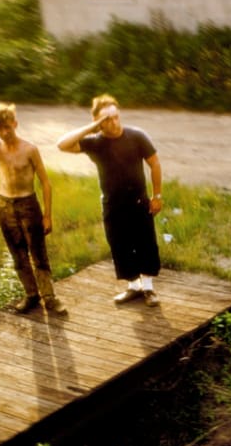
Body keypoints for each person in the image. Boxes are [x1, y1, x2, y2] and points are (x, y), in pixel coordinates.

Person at [0, 102, 68, 316]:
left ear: (15, 124)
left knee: (38, 255)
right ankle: (31, 295)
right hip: (5, 205)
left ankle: (50, 298)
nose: (4, 132)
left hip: (28, 204)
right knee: (18, 255)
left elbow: (46, 182)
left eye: (7, 127)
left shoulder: (30, 149)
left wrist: (47, 215)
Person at [57, 94, 164, 306]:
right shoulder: (95, 143)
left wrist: (157, 195)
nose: (113, 122)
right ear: (98, 121)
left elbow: (155, 164)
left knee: (145, 243)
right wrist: (92, 127)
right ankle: (133, 287)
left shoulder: (136, 136)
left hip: (139, 202)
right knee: (119, 245)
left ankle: (149, 289)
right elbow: (62, 144)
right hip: (112, 204)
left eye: (116, 116)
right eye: (107, 119)